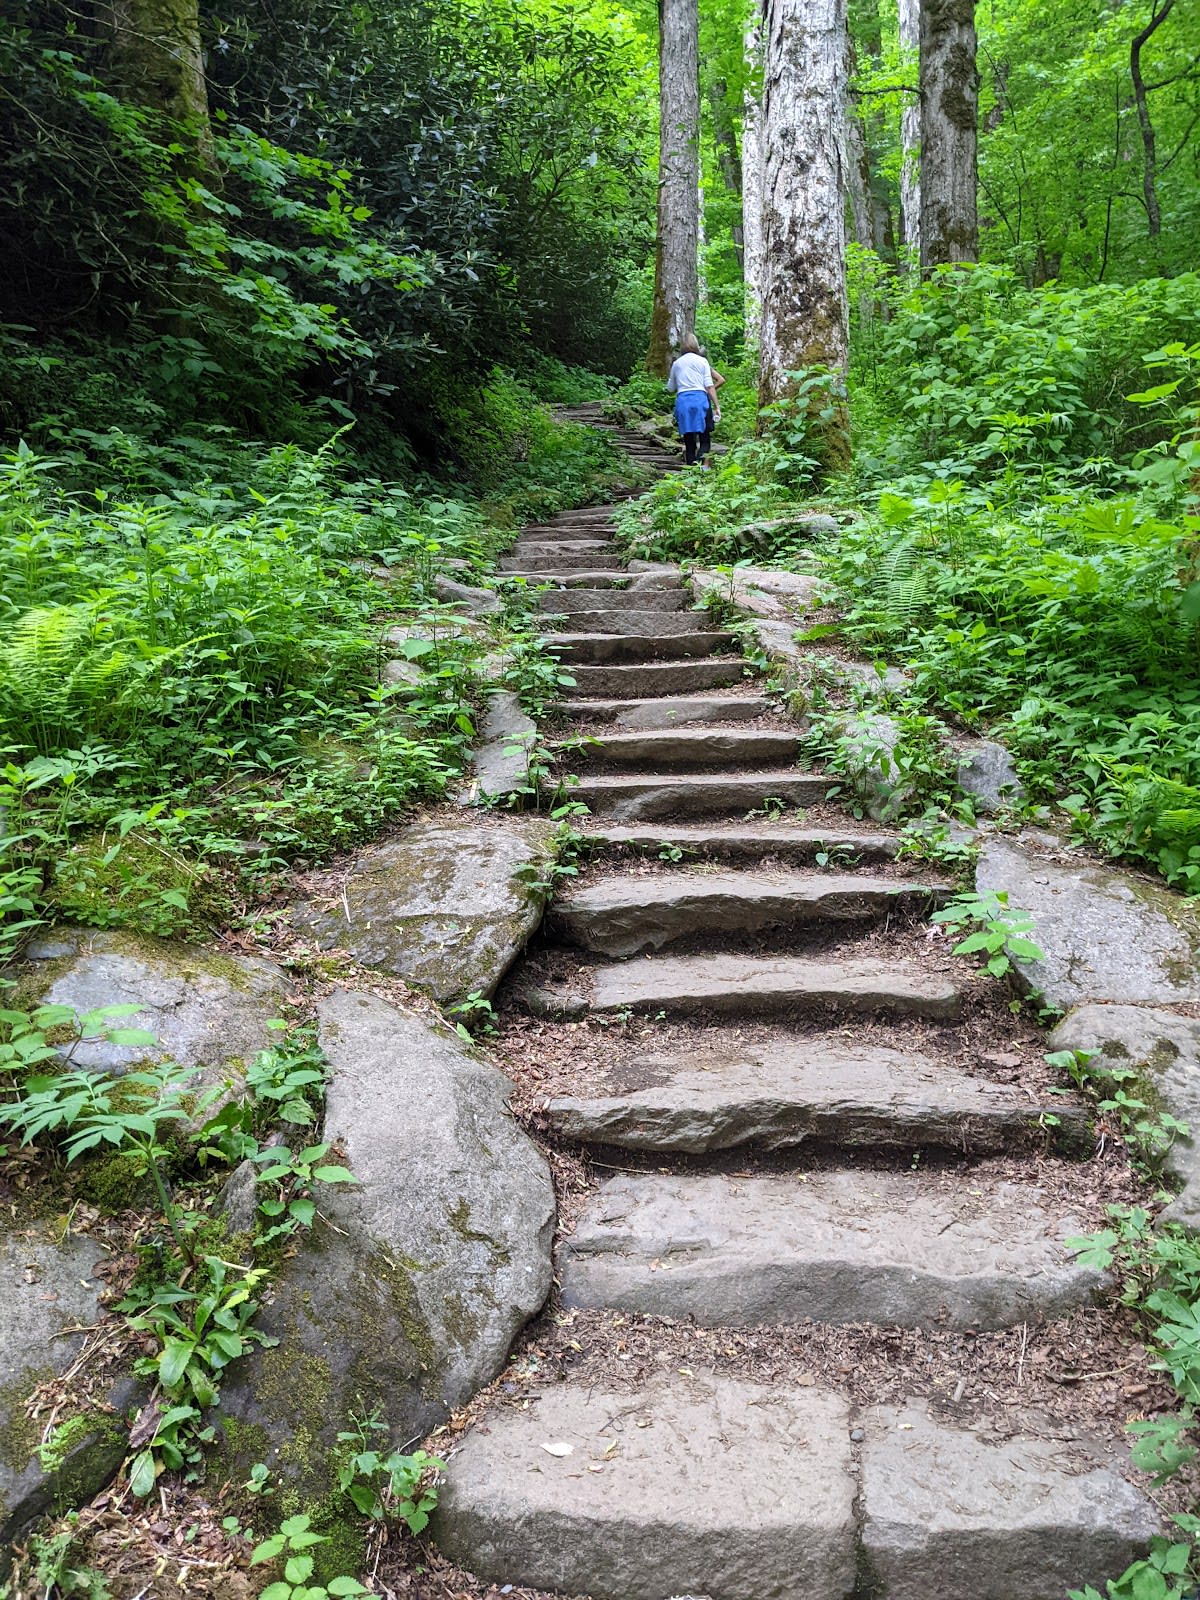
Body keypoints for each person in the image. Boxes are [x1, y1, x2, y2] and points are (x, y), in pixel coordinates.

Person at [666, 334, 720, 466]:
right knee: (705, 440)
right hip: (701, 401)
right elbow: (709, 385)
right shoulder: (702, 361)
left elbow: (670, 388)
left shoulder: (677, 363)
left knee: (689, 441)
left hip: (683, 402)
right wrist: (717, 406)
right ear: (696, 345)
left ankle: (691, 469)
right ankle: (700, 466)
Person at [698, 346, 726, 467]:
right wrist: (710, 390)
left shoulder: (687, 366)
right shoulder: (706, 366)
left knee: (691, 437)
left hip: (690, 399)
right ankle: (702, 464)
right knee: (705, 437)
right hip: (704, 401)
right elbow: (721, 379)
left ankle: (694, 463)